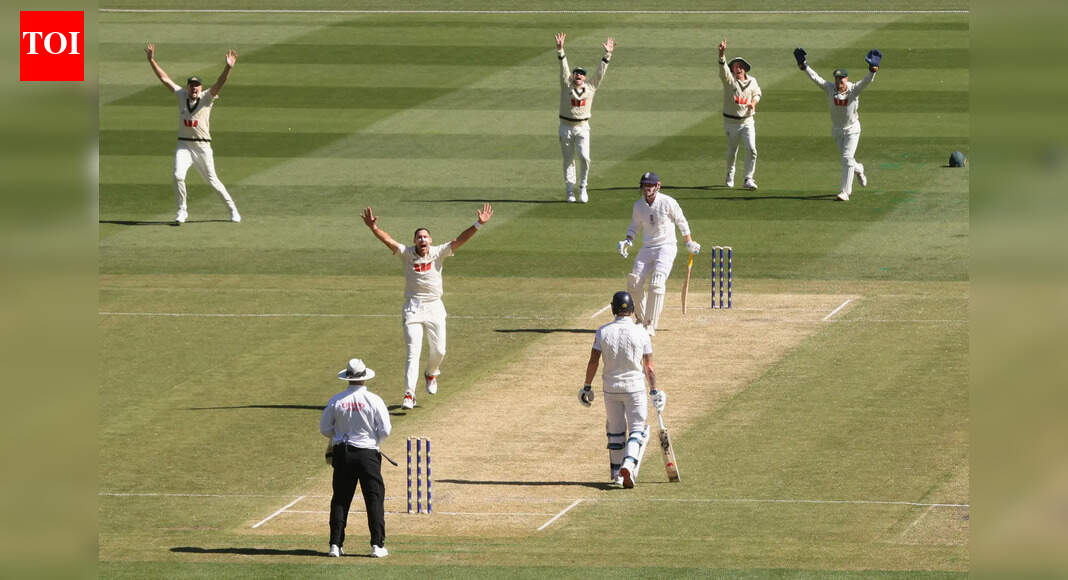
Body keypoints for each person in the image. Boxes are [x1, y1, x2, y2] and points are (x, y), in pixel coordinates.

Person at [362, 203, 493, 409]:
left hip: (434, 306)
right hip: (413, 307)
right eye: (419, 237)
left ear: (430, 240)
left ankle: (431, 373)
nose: (422, 239)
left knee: (439, 350)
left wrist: (479, 224)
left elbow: (460, 240)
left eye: (425, 237)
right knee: (413, 351)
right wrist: (373, 228)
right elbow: (388, 241)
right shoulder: (406, 253)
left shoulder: (438, 252)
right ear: (414, 241)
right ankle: (409, 394)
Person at [145, 43, 241, 224]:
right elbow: (165, 79)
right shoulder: (181, 95)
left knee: (213, 181)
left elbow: (220, 83)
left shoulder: (206, 98)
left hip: (203, 147)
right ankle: (182, 210)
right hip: (184, 145)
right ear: (187, 87)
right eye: (192, 86)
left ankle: (232, 209)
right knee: (177, 175)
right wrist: (152, 60)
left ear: (201, 87)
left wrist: (228, 67)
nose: (194, 88)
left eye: (197, 86)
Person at [580, 291, 666, 489]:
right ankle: (628, 463)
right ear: (632, 309)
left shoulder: (603, 331)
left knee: (615, 431)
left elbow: (593, 360)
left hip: (611, 389)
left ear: (613, 308)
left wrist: (587, 386)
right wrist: (654, 390)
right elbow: (649, 367)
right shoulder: (642, 332)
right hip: (634, 388)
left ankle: (617, 473)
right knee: (638, 430)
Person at [320, 358, 392, 558]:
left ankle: (335, 545)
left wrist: (340, 433)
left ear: (348, 378)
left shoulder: (337, 400)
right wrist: (373, 440)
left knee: (341, 499)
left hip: (343, 454)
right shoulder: (374, 400)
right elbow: (385, 430)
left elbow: (325, 429)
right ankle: (377, 545)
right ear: (364, 378)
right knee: (374, 498)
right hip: (368, 453)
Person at [617, 172, 701, 336]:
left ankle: (650, 324)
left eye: (650, 185)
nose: (646, 188)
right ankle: (641, 320)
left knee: (657, 282)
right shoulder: (638, 206)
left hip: (667, 247)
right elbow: (634, 227)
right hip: (647, 247)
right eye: (644, 185)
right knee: (633, 283)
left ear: (658, 186)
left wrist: (689, 242)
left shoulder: (668, 202)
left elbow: (681, 221)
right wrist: (627, 241)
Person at [794, 47, 882, 201]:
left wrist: (872, 70)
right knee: (847, 159)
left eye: (841, 79)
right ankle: (859, 168)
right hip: (837, 130)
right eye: (836, 78)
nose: (839, 81)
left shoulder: (853, 89)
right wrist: (805, 66)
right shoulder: (830, 88)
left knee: (847, 158)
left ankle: (845, 192)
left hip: (852, 129)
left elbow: (866, 81)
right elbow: (816, 78)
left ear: (846, 79)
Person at [555, 32, 614, 203]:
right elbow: (563, 68)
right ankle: (569, 190)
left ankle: (582, 187)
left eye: (581, 74)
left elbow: (600, 74)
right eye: (576, 73)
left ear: (585, 77)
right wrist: (561, 51)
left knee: (585, 157)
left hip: (582, 127)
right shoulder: (566, 85)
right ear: (573, 76)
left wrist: (607, 55)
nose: (578, 75)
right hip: (565, 126)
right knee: (568, 159)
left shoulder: (590, 87)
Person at [717, 38, 761, 191]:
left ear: (745, 69)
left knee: (752, 149)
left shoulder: (753, 81)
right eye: (735, 67)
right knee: (732, 151)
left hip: (748, 121)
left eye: (740, 67)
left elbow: (757, 94)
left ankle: (748, 178)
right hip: (731, 122)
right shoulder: (729, 82)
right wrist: (722, 54)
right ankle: (730, 174)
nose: (738, 69)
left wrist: (753, 103)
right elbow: (723, 71)